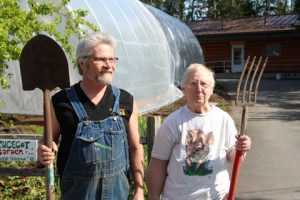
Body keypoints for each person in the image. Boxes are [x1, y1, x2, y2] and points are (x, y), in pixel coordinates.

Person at [38, 32, 144, 200]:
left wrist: (139, 189)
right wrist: (44, 148)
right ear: (82, 63)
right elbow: (47, 140)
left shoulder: (126, 101)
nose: (108, 65)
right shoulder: (61, 101)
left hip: (117, 194)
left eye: (112, 59)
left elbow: (135, 147)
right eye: (100, 59)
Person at [146, 63, 251, 200]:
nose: (199, 89)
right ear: (184, 88)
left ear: (212, 89)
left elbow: (233, 157)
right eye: (193, 84)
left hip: (217, 196)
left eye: (204, 84)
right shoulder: (173, 122)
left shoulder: (223, 119)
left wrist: (242, 149)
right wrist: (153, 196)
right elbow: (158, 163)